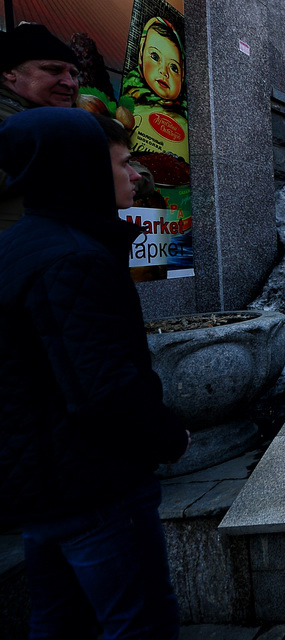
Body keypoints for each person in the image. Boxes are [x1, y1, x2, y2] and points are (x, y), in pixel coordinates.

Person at [0, 108, 189, 638]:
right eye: (124, 163)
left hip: (41, 487)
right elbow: (104, 387)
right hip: (96, 486)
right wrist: (169, 436)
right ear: (80, 169)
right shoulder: (75, 257)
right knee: (141, 621)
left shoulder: (21, 245)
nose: (136, 175)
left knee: (58, 624)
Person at [1, 24, 82, 231]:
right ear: (10, 72)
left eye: (74, 74)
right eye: (53, 70)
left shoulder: (73, 121)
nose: (70, 83)